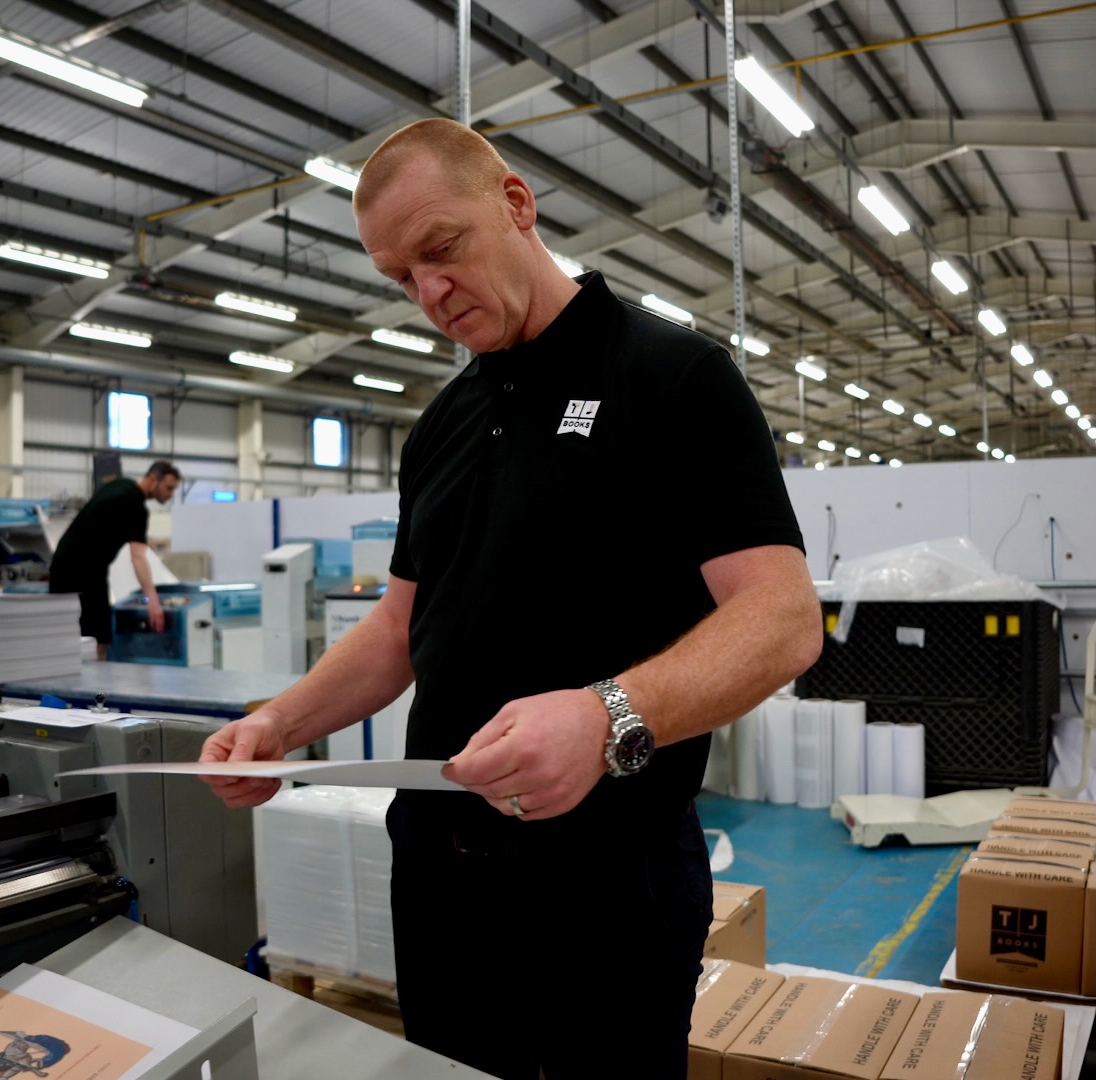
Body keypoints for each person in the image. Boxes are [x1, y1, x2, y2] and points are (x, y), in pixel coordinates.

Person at [199, 119, 823, 1079]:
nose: (429, 295)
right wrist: (280, 721)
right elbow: (400, 627)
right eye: (400, 278)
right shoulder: (442, 425)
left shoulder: (671, 377)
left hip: (608, 877)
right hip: (442, 872)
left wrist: (606, 714)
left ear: (516, 204)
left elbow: (780, 619)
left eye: (441, 251)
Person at [48, 461, 180, 659]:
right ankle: (94, 688)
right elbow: (138, 558)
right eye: (169, 488)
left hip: (63, 565)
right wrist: (153, 601)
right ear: (154, 479)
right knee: (98, 640)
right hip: (85, 572)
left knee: (67, 635)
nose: (171, 495)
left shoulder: (118, 485)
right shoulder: (135, 507)